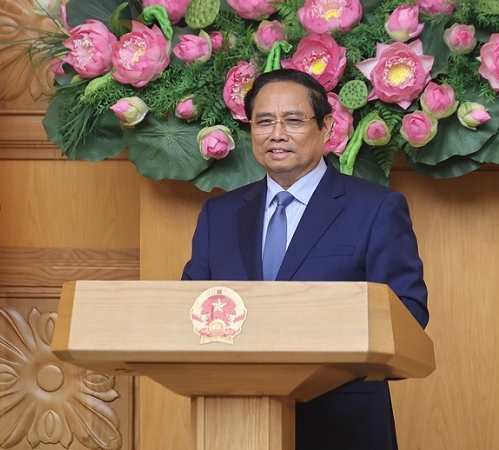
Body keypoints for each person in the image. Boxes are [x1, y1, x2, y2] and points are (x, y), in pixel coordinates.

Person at [181, 68, 429, 449]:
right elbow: (188, 314)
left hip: (343, 425)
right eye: (264, 121)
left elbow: (407, 314)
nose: (277, 134)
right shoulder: (219, 215)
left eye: (293, 121)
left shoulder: (376, 208)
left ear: (326, 127)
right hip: (234, 423)